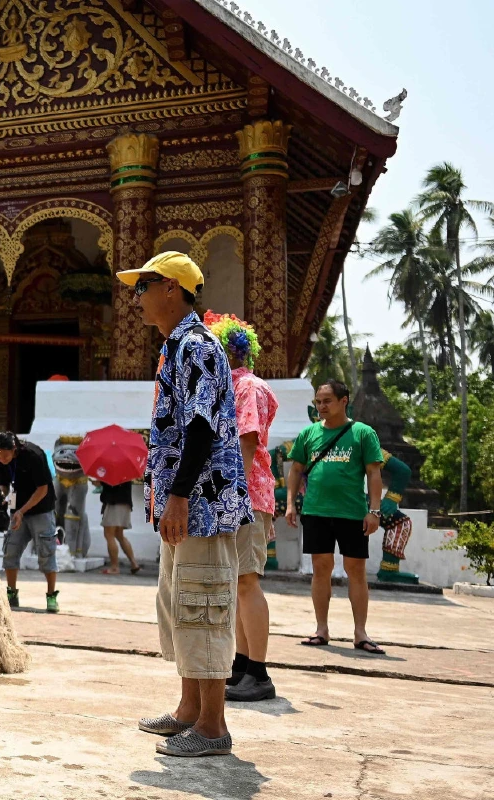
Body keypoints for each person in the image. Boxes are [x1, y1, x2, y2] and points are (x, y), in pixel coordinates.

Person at [117, 252, 252, 758]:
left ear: (171, 288)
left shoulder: (195, 345)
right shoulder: (177, 346)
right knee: (180, 607)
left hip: (201, 504)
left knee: (204, 608)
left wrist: (176, 496)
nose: (138, 298)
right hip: (186, 506)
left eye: (143, 287)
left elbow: (199, 429)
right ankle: (189, 711)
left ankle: (213, 727)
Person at [205, 311, 279, 701]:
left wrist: (232, 494)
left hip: (245, 494)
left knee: (247, 580)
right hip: (242, 494)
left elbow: (247, 442)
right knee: (238, 582)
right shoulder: (235, 384)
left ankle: (260, 672)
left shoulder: (246, 385)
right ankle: (242, 664)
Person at [285, 379, 386, 655]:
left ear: (344, 401)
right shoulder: (309, 434)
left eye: (327, 401)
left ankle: (360, 633)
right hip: (316, 511)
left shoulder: (363, 433)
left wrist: (374, 511)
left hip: (352, 512)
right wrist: (291, 504)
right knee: (321, 568)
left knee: (356, 570)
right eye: (318, 401)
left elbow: (374, 473)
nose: (321, 406)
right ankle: (321, 629)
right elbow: (296, 470)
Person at [0, 431, 60, 613]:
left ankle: (51, 595)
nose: (1, 458)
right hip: (17, 510)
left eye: (4, 455)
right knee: (10, 551)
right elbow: (4, 484)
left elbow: (43, 489)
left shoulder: (33, 455)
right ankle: (11, 593)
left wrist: (22, 511)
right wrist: (2, 497)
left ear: (14, 449)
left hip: (41, 509)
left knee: (46, 553)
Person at [96, 480, 139, 575]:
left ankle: (114, 567)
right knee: (119, 535)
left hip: (114, 503)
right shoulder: (126, 468)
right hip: (125, 502)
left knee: (109, 535)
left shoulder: (113, 467)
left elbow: (112, 484)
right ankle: (133, 563)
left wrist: (101, 482)